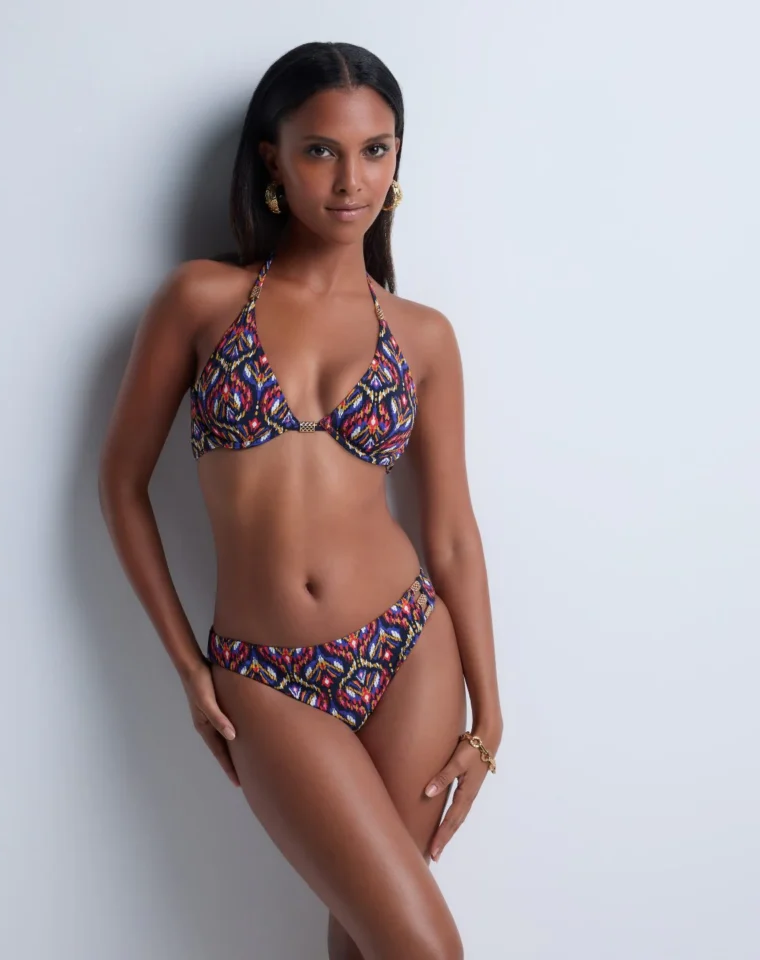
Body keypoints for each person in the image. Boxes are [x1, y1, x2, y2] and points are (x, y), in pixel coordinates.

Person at [99, 40, 503, 960]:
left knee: (367, 940)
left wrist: (489, 712)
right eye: (321, 150)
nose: (352, 179)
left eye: (376, 150)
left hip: (410, 648)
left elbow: (450, 532)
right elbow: (120, 484)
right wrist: (189, 668)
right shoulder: (202, 301)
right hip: (266, 676)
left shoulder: (423, 336)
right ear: (272, 160)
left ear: (397, 160)